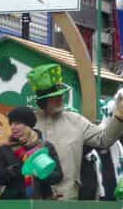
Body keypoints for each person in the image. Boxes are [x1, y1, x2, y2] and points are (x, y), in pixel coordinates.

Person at [29, 64, 123, 200]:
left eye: (61, 94)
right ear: (42, 101)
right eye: (54, 96)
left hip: (68, 199)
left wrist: (119, 116)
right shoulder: (30, 122)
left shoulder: (75, 120)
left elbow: (103, 140)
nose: (60, 98)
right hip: (35, 200)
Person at [0, 106, 63, 199]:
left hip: (42, 202)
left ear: (28, 125)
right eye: (11, 124)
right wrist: (12, 171)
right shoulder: (6, 148)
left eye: (17, 123)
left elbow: (58, 177)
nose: (13, 127)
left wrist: (41, 172)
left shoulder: (46, 147)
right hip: (13, 204)